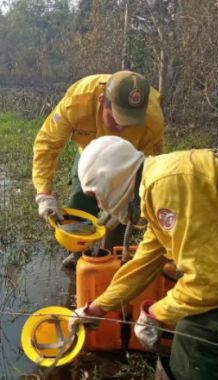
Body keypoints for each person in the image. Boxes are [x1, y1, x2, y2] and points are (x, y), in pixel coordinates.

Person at [71, 135, 218, 380]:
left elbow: (212, 284)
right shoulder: (160, 180)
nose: (100, 204)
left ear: (107, 182)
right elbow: (142, 265)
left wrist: (156, 313)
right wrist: (96, 308)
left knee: (195, 335)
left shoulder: (167, 185)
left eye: (95, 196)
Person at [32, 71, 165, 268]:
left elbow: (150, 169)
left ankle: (111, 259)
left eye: (129, 122)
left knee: (121, 216)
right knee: (80, 200)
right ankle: (78, 255)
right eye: (116, 118)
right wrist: (44, 193)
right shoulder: (78, 101)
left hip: (126, 161)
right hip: (89, 154)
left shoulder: (152, 119)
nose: (121, 127)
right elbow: (47, 144)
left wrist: (130, 203)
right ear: (102, 101)